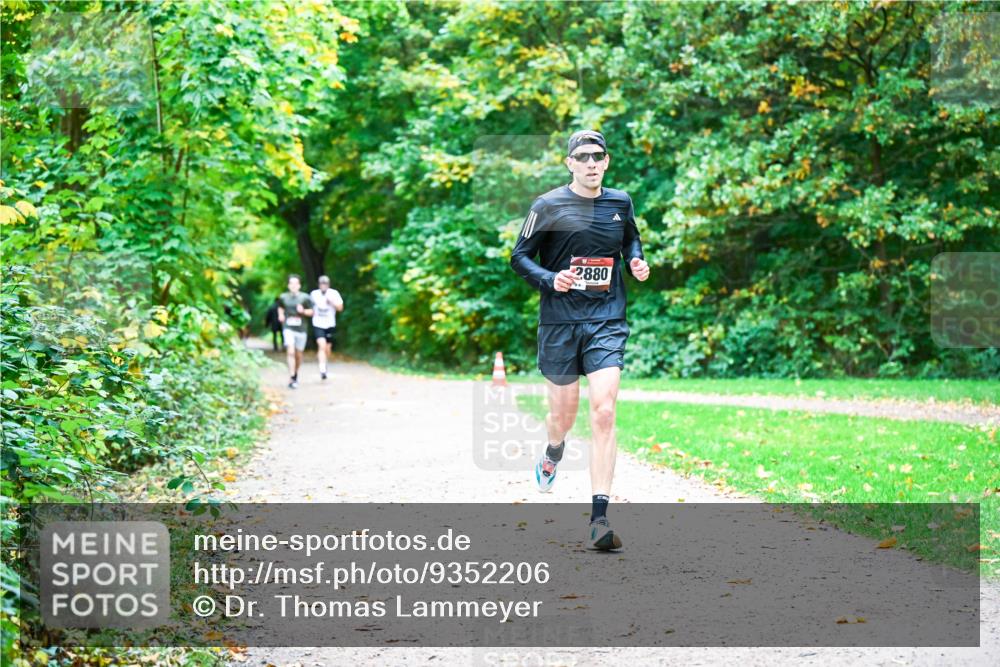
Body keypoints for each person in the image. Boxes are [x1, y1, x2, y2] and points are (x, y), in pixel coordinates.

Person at [509, 130, 650, 551]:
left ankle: (599, 519)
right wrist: (553, 279)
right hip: (559, 323)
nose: (591, 163)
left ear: (607, 161)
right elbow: (519, 258)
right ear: (569, 163)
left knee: (604, 412)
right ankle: (554, 450)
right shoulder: (548, 205)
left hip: (606, 318)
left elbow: (630, 239)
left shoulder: (620, 202)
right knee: (562, 417)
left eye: (598, 156)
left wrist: (637, 260)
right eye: (583, 156)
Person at [277, 274, 313, 389]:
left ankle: (295, 374)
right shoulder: (283, 297)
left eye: (295, 283)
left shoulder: (305, 297)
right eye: (291, 283)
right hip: (288, 327)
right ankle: (292, 376)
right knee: (290, 351)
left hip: (301, 329)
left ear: (299, 285)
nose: (293, 285)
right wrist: (281, 315)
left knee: (298, 354)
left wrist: (303, 311)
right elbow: (280, 307)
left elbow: (312, 312)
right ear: (288, 285)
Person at [309, 275, 344, 380]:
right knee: (322, 345)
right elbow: (309, 307)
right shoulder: (314, 294)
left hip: (329, 324)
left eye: (325, 284)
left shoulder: (334, 293)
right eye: (321, 284)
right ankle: (322, 369)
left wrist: (332, 302)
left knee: (327, 349)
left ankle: (324, 362)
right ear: (319, 285)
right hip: (318, 323)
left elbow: (340, 308)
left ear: (328, 285)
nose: (323, 286)